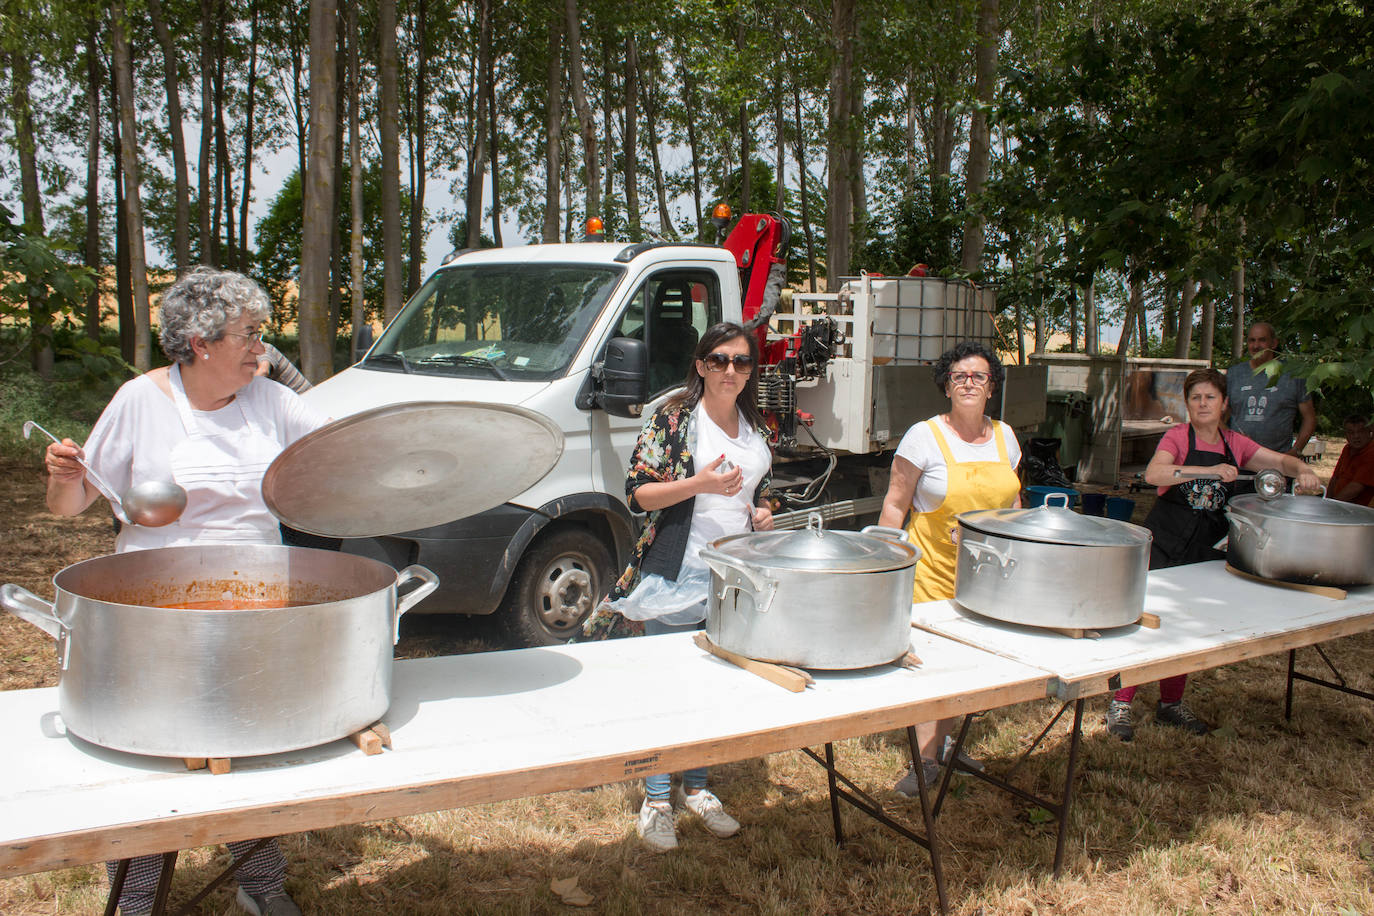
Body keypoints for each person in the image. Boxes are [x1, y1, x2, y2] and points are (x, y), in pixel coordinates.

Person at [44, 267, 327, 915]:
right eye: (250, 336)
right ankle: (136, 898)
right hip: (157, 613)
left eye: (262, 333)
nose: (264, 348)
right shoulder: (140, 401)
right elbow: (71, 504)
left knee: (252, 747)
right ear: (201, 343)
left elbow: (337, 458)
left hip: (257, 605)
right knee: (154, 755)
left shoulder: (273, 401)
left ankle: (261, 889)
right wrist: (63, 474)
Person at [580, 322, 774, 853]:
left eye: (740, 361)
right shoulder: (673, 420)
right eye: (719, 360)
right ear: (701, 364)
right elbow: (639, 494)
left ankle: (699, 787)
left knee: (712, 684)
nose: (730, 370)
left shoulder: (754, 426)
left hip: (733, 576)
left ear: (750, 369)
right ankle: (658, 798)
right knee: (666, 686)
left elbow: (759, 489)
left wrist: (761, 511)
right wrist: (700, 484)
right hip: (678, 573)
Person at [1105, 367, 1320, 742]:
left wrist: (1301, 468)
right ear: (1187, 404)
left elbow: (1278, 463)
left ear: (1224, 404)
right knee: (1143, 621)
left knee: (1186, 624)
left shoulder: (1235, 442)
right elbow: (1155, 474)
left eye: (1210, 398)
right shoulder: (1176, 437)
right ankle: (1121, 703)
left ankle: (1171, 704)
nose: (1202, 404)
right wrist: (1201, 471)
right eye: (1195, 398)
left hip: (1204, 547)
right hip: (1166, 542)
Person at [878, 341, 1022, 795]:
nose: (968, 383)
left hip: (986, 576)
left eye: (978, 376)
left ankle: (948, 747)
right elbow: (895, 503)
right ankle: (924, 763)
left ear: (991, 386)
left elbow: (1014, 504)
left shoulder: (1006, 436)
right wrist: (884, 567)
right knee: (930, 667)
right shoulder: (924, 436)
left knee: (967, 661)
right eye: (959, 376)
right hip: (932, 571)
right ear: (946, 386)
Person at [1227, 322, 1317, 457]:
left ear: (1274, 343)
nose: (1256, 346)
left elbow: (1310, 418)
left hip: (1278, 461)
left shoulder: (1293, 374)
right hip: (1238, 460)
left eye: (1262, 340)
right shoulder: (1233, 374)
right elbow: (1221, 415)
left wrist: (1296, 451)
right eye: (1252, 340)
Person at [1328, 414, 1374, 506]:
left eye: (1361, 431)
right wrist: (1327, 500)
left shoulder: (1371, 452)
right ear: (1346, 435)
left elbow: (1356, 488)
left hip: (1359, 510)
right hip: (1339, 504)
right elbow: (1335, 478)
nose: (1356, 436)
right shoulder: (1347, 448)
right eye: (1351, 432)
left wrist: (1332, 505)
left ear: (1369, 432)